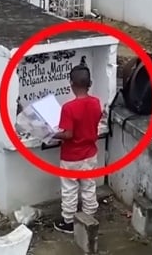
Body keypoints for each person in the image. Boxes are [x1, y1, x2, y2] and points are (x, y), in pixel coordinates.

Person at [52, 65, 103, 234]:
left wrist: (51, 134)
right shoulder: (96, 103)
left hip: (71, 156)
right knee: (89, 186)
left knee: (70, 190)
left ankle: (69, 221)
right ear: (90, 83)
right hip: (90, 154)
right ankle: (89, 217)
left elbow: (68, 135)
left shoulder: (68, 108)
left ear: (71, 84)